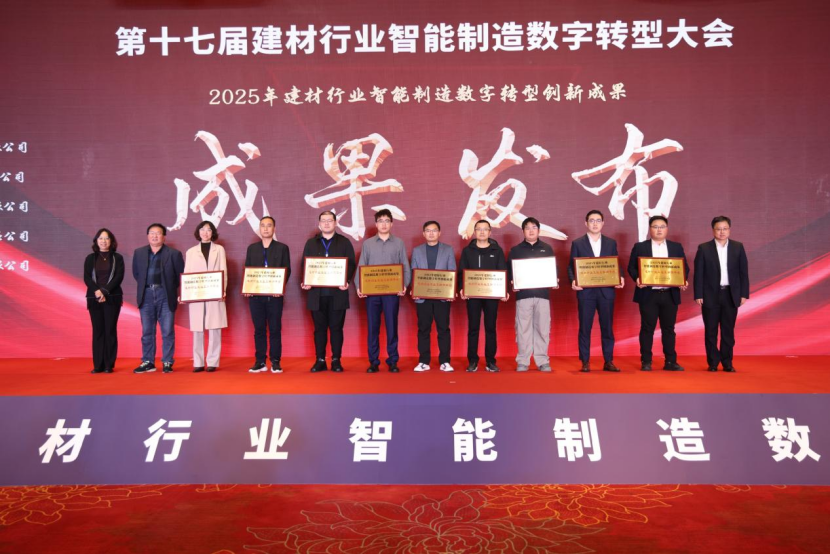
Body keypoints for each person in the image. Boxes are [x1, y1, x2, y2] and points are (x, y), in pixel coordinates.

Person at [627, 215, 689, 372]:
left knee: (669, 329)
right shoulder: (640, 247)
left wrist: (683, 279)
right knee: (647, 328)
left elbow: (684, 267)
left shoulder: (676, 247)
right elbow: (631, 267)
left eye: (662, 226)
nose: (659, 229)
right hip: (648, 294)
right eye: (655, 227)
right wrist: (637, 278)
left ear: (667, 229)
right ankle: (646, 361)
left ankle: (670, 361)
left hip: (669, 294)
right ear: (650, 229)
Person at [355, 209, 411, 374]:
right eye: (381, 221)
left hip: (392, 293)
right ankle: (373, 362)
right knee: (373, 327)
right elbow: (361, 265)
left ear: (391, 224)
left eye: (387, 221)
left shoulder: (399, 243)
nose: (384, 224)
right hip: (372, 293)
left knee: (392, 327)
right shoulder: (368, 244)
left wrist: (404, 285)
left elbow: (405, 266)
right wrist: (359, 286)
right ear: (376, 224)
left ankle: (393, 361)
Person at [568, 210, 624, 373]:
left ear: (603, 223)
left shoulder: (610, 243)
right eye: (591, 220)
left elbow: (615, 263)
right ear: (586, 223)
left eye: (598, 220)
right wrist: (573, 280)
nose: (595, 223)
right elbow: (571, 266)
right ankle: (585, 361)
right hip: (586, 292)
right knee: (585, 328)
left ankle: (608, 361)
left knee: (607, 327)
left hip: (606, 292)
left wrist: (620, 276)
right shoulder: (578, 243)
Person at [301, 211, 356, 373]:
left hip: (337, 294)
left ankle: (336, 360)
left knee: (336, 328)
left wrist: (346, 281)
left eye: (329, 220)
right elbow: (305, 264)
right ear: (319, 224)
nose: (326, 223)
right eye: (323, 221)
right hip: (316, 295)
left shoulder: (344, 242)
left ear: (335, 223)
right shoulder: (311, 243)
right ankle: (320, 360)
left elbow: (351, 264)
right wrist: (306, 280)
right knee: (319, 329)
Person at [694, 216, 750, 372]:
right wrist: (698, 294)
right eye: (718, 229)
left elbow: (743, 273)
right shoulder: (704, 248)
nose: (722, 232)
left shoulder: (738, 247)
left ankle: (727, 363)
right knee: (710, 331)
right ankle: (713, 363)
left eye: (725, 228)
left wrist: (744, 294)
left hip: (731, 294)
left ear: (729, 229)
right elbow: (699, 274)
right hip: (710, 295)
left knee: (728, 331)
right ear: (713, 230)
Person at [132, 223, 185, 374]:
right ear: (147, 236)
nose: (155, 236)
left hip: (165, 294)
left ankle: (167, 361)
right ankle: (148, 361)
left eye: (158, 233)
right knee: (147, 331)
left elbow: (180, 276)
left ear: (164, 237)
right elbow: (137, 274)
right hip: (146, 294)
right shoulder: (139, 253)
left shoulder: (174, 254)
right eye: (152, 233)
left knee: (167, 331)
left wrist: (171, 290)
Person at [508, 217, 558, 372]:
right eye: (527, 228)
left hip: (542, 295)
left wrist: (554, 279)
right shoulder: (515, 250)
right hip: (523, 296)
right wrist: (512, 282)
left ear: (539, 230)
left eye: (534, 227)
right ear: (523, 231)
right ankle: (523, 360)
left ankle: (542, 360)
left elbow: (553, 269)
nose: (531, 230)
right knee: (522, 328)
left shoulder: (547, 248)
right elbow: (510, 271)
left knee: (543, 328)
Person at [459, 220, 509, 373]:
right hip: (473, 295)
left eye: (485, 229)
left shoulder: (497, 250)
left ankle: (490, 361)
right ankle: (472, 361)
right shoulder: (467, 251)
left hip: (492, 296)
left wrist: (504, 290)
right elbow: (462, 272)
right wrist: (462, 288)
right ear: (474, 232)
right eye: (478, 229)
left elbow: (502, 271)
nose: (482, 232)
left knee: (490, 328)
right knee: (473, 328)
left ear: (490, 232)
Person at [245, 216, 291, 374]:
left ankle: (276, 361)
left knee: (275, 329)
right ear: (259, 228)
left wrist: (280, 287)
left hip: (274, 296)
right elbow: (248, 269)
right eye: (263, 225)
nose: (265, 228)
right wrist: (248, 287)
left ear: (274, 229)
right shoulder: (252, 248)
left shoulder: (282, 248)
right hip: (256, 297)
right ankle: (260, 361)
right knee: (259, 329)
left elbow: (287, 270)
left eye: (269, 225)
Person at [410, 221, 456, 373]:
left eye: (434, 230)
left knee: (443, 329)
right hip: (423, 297)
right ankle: (424, 361)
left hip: (442, 297)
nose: (431, 233)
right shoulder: (417, 251)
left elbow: (452, 271)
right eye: (428, 231)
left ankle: (445, 361)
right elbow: (414, 271)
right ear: (423, 233)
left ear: (439, 233)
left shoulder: (448, 250)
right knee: (423, 329)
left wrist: (451, 291)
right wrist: (414, 288)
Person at [183, 221, 227, 373]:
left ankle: (213, 361)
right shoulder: (190, 252)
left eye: (209, 230)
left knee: (215, 327)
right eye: (202, 229)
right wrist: (186, 293)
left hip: (215, 293)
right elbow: (187, 274)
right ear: (198, 232)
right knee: (197, 328)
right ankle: (198, 362)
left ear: (212, 232)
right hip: (197, 293)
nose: (205, 232)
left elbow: (223, 271)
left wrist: (222, 290)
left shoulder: (219, 249)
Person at [84, 228, 124, 374]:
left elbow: (118, 277)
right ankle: (98, 365)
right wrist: (97, 291)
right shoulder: (90, 258)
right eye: (101, 238)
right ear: (96, 241)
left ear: (111, 241)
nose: (103, 241)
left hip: (112, 298)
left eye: (107, 238)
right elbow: (87, 277)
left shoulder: (117, 258)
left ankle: (108, 365)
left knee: (110, 330)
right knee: (98, 331)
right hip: (94, 298)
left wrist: (104, 291)